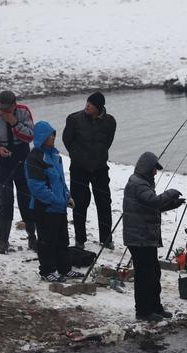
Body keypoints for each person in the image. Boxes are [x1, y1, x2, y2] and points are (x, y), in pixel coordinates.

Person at [123, 152, 185, 322]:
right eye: (154, 170)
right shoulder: (138, 184)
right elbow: (154, 202)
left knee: (154, 273)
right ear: (147, 168)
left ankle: (155, 307)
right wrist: (171, 193)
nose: (155, 173)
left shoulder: (143, 183)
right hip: (139, 238)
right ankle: (143, 311)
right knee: (144, 275)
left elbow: (151, 207)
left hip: (146, 237)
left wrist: (172, 204)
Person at [0, 90, 36, 254]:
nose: (2, 112)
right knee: (5, 197)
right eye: (0, 108)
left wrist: (14, 123)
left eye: (6, 109)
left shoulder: (24, 112)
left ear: (14, 105)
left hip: (21, 157)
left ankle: (32, 236)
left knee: (26, 196)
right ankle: (3, 240)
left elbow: (30, 136)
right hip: (1, 160)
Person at [26, 120, 84, 282]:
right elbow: (37, 187)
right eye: (50, 135)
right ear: (42, 137)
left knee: (62, 240)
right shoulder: (35, 157)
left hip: (59, 207)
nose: (53, 137)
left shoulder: (55, 155)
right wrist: (56, 201)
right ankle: (47, 271)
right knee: (46, 241)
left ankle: (64, 269)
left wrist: (67, 196)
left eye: (53, 134)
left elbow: (60, 180)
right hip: (44, 209)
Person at [62, 91, 116, 250]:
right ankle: (80, 239)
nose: (87, 106)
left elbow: (108, 141)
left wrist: (98, 156)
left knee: (104, 203)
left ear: (99, 107)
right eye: (87, 103)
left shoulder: (110, 121)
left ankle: (106, 239)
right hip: (79, 168)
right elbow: (67, 140)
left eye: (91, 104)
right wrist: (77, 155)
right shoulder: (73, 119)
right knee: (79, 203)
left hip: (100, 168)